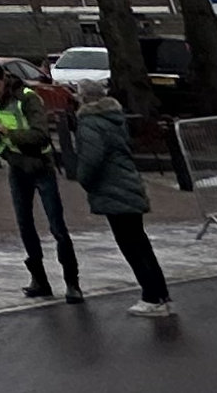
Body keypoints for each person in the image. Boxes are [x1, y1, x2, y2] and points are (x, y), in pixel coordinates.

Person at [61, 77, 175, 319]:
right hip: (128, 183)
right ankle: (161, 293)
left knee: (131, 246)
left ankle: (152, 296)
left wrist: (83, 178)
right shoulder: (114, 119)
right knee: (141, 242)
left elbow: (92, 159)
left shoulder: (90, 123)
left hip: (112, 189)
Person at [0, 63, 83, 301]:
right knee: (25, 225)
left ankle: (72, 283)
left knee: (57, 226)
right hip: (17, 167)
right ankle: (39, 279)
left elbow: (41, 136)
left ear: (3, 79)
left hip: (40, 165)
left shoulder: (27, 98)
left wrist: (8, 134)